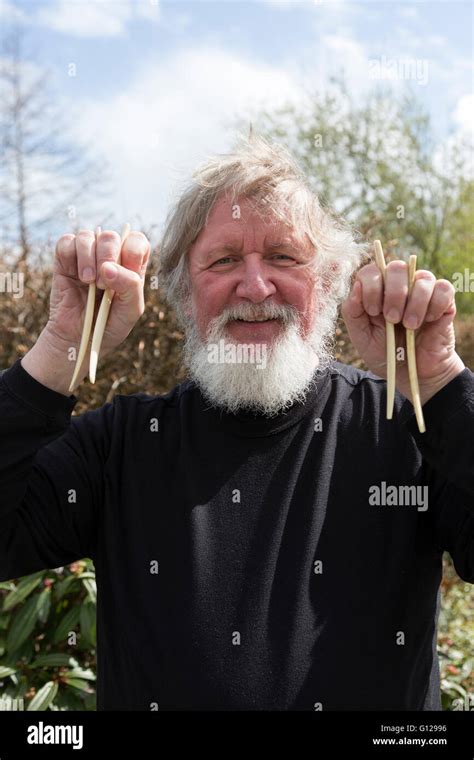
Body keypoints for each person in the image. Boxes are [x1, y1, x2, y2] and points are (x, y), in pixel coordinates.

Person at [0, 135, 472, 711]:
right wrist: (61, 346)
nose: (254, 286)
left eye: (283, 257)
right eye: (223, 260)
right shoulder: (122, 445)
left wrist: (444, 383)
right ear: (182, 291)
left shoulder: (404, 428)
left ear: (325, 283)